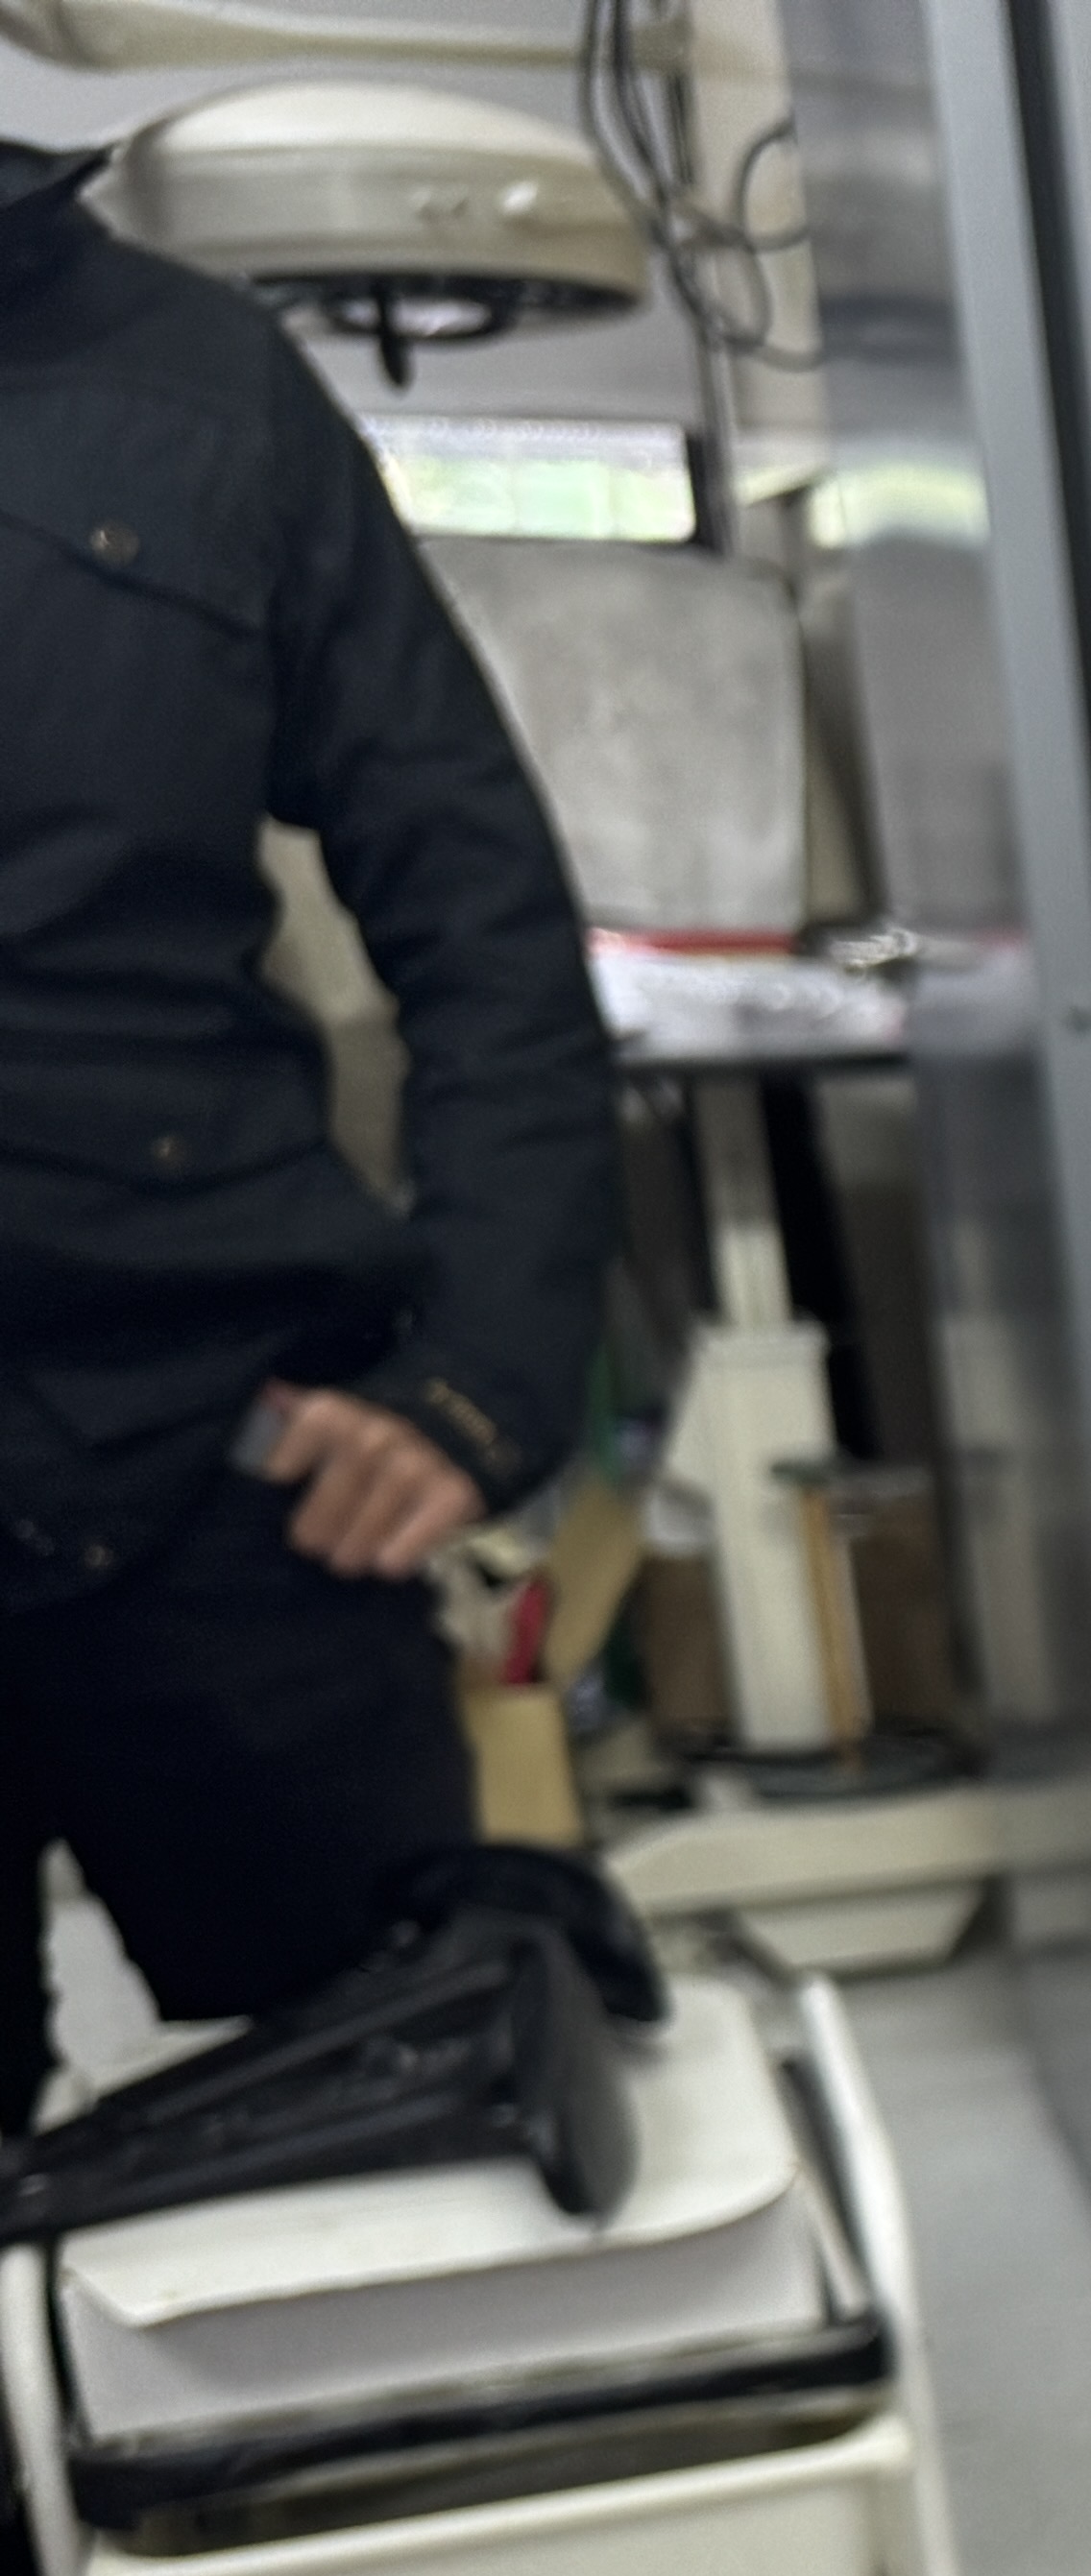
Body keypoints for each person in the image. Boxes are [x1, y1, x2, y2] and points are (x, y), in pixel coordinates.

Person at [0, 132, 610, 2126]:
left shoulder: (199, 389)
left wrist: (482, 1384)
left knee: (403, 2190)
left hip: (223, 1478)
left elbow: (484, 914)